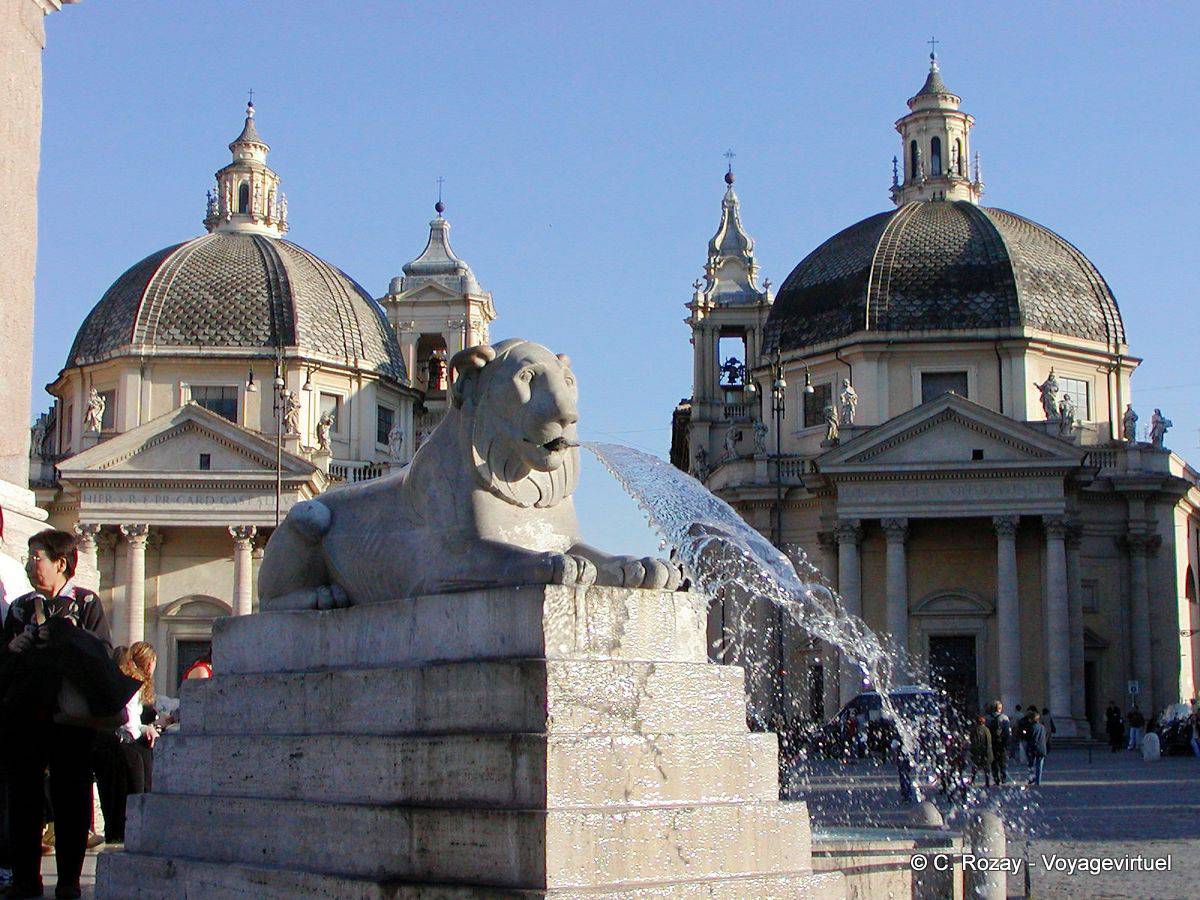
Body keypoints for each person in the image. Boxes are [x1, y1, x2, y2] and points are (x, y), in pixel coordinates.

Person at [0, 529, 112, 900]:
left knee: (71, 796)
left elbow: (102, 653)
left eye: (37, 557)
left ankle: (69, 880)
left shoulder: (85, 603)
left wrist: (66, 641)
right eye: (30, 556)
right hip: (26, 715)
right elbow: (3, 662)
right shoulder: (19, 608)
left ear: (60, 562)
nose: (30, 564)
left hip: (71, 719)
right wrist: (16, 648)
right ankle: (25, 879)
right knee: (24, 797)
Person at [108, 642, 159, 844]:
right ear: (148, 662)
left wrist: (147, 729)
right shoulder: (133, 683)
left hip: (129, 738)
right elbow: (129, 722)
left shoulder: (134, 683)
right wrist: (146, 730)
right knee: (138, 785)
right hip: (124, 740)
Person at [986, 700, 1011, 785]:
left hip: (992, 743)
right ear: (1000, 708)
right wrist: (1006, 743)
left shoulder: (987, 718)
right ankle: (1003, 777)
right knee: (1002, 761)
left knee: (994, 761)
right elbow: (1007, 732)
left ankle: (996, 778)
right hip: (1001, 743)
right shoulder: (1004, 718)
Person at [968, 715, 993, 787]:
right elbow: (988, 742)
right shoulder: (986, 730)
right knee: (986, 768)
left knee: (975, 768)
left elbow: (972, 742)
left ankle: (972, 780)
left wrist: (973, 752)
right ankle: (987, 782)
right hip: (985, 752)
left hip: (977, 752)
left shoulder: (974, 730)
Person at [1025, 710, 1048, 786]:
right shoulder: (1042, 727)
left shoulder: (1032, 727)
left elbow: (1031, 739)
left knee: (1031, 765)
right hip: (1042, 748)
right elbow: (1045, 736)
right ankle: (1038, 781)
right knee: (1039, 766)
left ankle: (1031, 779)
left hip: (1034, 749)